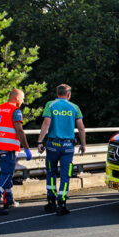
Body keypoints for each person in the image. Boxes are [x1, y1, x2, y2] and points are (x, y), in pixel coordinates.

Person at [36, 84, 85, 215]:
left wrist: (40, 141)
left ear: (57, 93)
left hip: (53, 145)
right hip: (68, 147)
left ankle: (51, 200)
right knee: (65, 175)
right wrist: (83, 144)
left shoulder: (50, 105)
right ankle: (62, 202)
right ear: (68, 94)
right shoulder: (75, 107)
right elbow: (81, 128)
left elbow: (46, 123)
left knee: (51, 172)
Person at [0, 89, 32, 214]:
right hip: (8, 147)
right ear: (17, 98)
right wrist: (26, 147)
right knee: (7, 174)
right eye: (22, 98)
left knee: (6, 173)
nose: (22, 101)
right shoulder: (15, 111)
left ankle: (9, 199)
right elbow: (19, 130)